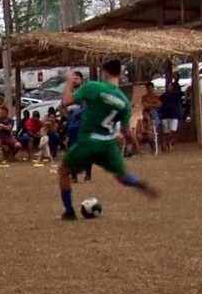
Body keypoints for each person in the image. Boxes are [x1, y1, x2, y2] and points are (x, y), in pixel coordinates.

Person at [57, 60, 158, 221]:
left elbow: (66, 101)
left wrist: (69, 81)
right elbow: (126, 131)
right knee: (122, 176)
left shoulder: (93, 87)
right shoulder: (124, 101)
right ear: (119, 74)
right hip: (108, 145)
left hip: (88, 142)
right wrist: (135, 145)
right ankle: (139, 183)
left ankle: (69, 211)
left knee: (63, 171)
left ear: (105, 73)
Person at [159, 81, 183, 153]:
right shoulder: (162, 97)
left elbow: (185, 93)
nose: (168, 88)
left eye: (169, 86)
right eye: (167, 86)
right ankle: (168, 145)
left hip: (174, 115)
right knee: (166, 132)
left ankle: (166, 142)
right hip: (165, 115)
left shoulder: (176, 95)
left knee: (173, 131)